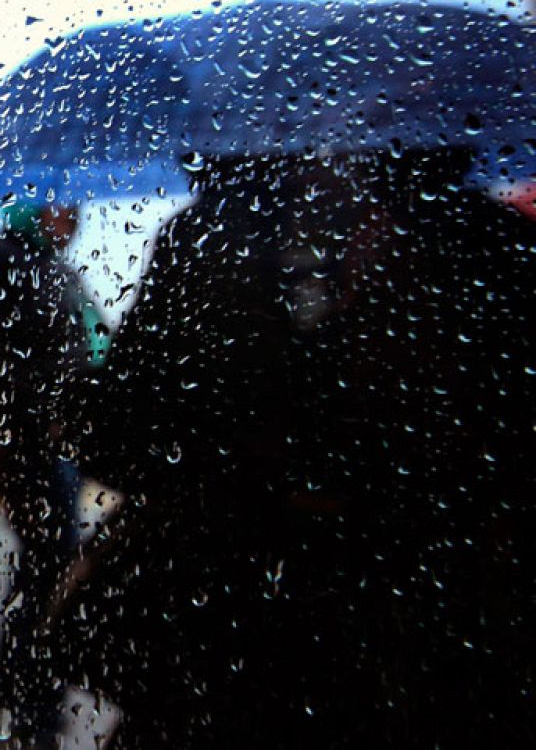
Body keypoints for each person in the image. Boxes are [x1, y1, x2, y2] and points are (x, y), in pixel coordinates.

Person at [72, 147, 536, 747]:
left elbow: (123, 435)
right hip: (440, 632)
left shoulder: (216, 240)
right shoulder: (496, 246)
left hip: (235, 629)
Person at [0, 201, 103, 747]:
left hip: (51, 441)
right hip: (33, 445)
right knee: (49, 570)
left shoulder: (50, 268)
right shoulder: (6, 266)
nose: (76, 223)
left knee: (44, 567)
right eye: (67, 210)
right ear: (40, 208)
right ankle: (31, 705)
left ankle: (22, 695)